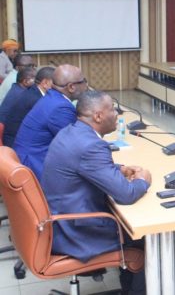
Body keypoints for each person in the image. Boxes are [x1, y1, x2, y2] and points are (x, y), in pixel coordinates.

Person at [41, 90, 151, 294]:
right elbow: (126, 195)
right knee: (148, 238)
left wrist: (118, 169)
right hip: (77, 232)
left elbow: (82, 164)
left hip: (58, 222)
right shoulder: (92, 145)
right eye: (112, 109)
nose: (117, 114)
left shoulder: (70, 132)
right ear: (98, 116)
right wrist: (143, 181)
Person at [13, 64, 88, 179]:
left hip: (30, 159)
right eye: (83, 81)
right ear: (71, 87)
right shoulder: (61, 107)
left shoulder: (52, 98)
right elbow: (77, 147)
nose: (86, 85)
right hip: (35, 167)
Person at [1, 66, 54, 147]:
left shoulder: (34, 90)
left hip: (17, 137)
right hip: (16, 143)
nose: (57, 86)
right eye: (55, 83)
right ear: (45, 83)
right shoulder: (35, 99)